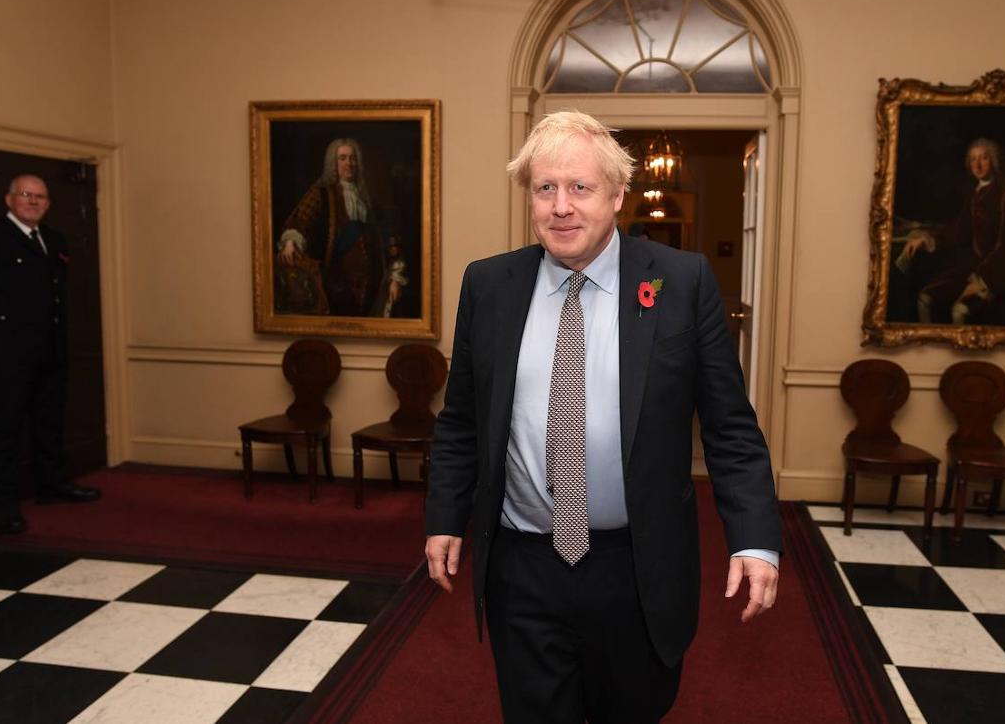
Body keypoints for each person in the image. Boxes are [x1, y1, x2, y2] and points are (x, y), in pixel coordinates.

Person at [424, 111, 781, 723]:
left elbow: (730, 428)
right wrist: (444, 517)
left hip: (635, 567)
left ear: (618, 195)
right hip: (522, 563)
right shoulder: (489, 285)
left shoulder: (680, 281)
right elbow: (461, 420)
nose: (561, 207)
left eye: (580, 188)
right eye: (545, 188)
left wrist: (754, 539)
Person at [0, 174, 101, 534]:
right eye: (26, 195)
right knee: (3, 430)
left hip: (48, 349)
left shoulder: (53, 240)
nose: (33, 201)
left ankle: (52, 484)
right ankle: (2, 502)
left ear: (48, 204)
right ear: (10, 200)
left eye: (40, 197)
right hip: (2, 354)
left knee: (48, 422)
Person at [901, 138, 1005, 324]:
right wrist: (926, 240)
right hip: (972, 266)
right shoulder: (975, 193)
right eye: (973, 159)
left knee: (960, 311)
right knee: (925, 298)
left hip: (998, 271)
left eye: (984, 158)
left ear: (994, 161)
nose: (977, 164)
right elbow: (959, 231)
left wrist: (982, 280)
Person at [276, 138, 405, 317]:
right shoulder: (321, 193)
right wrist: (291, 241)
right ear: (333, 163)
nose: (349, 163)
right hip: (335, 284)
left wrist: (394, 277)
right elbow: (301, 219)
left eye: (352, 158)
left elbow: (388, 238)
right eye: (343, 158)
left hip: (371, 287)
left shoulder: (367, 198)